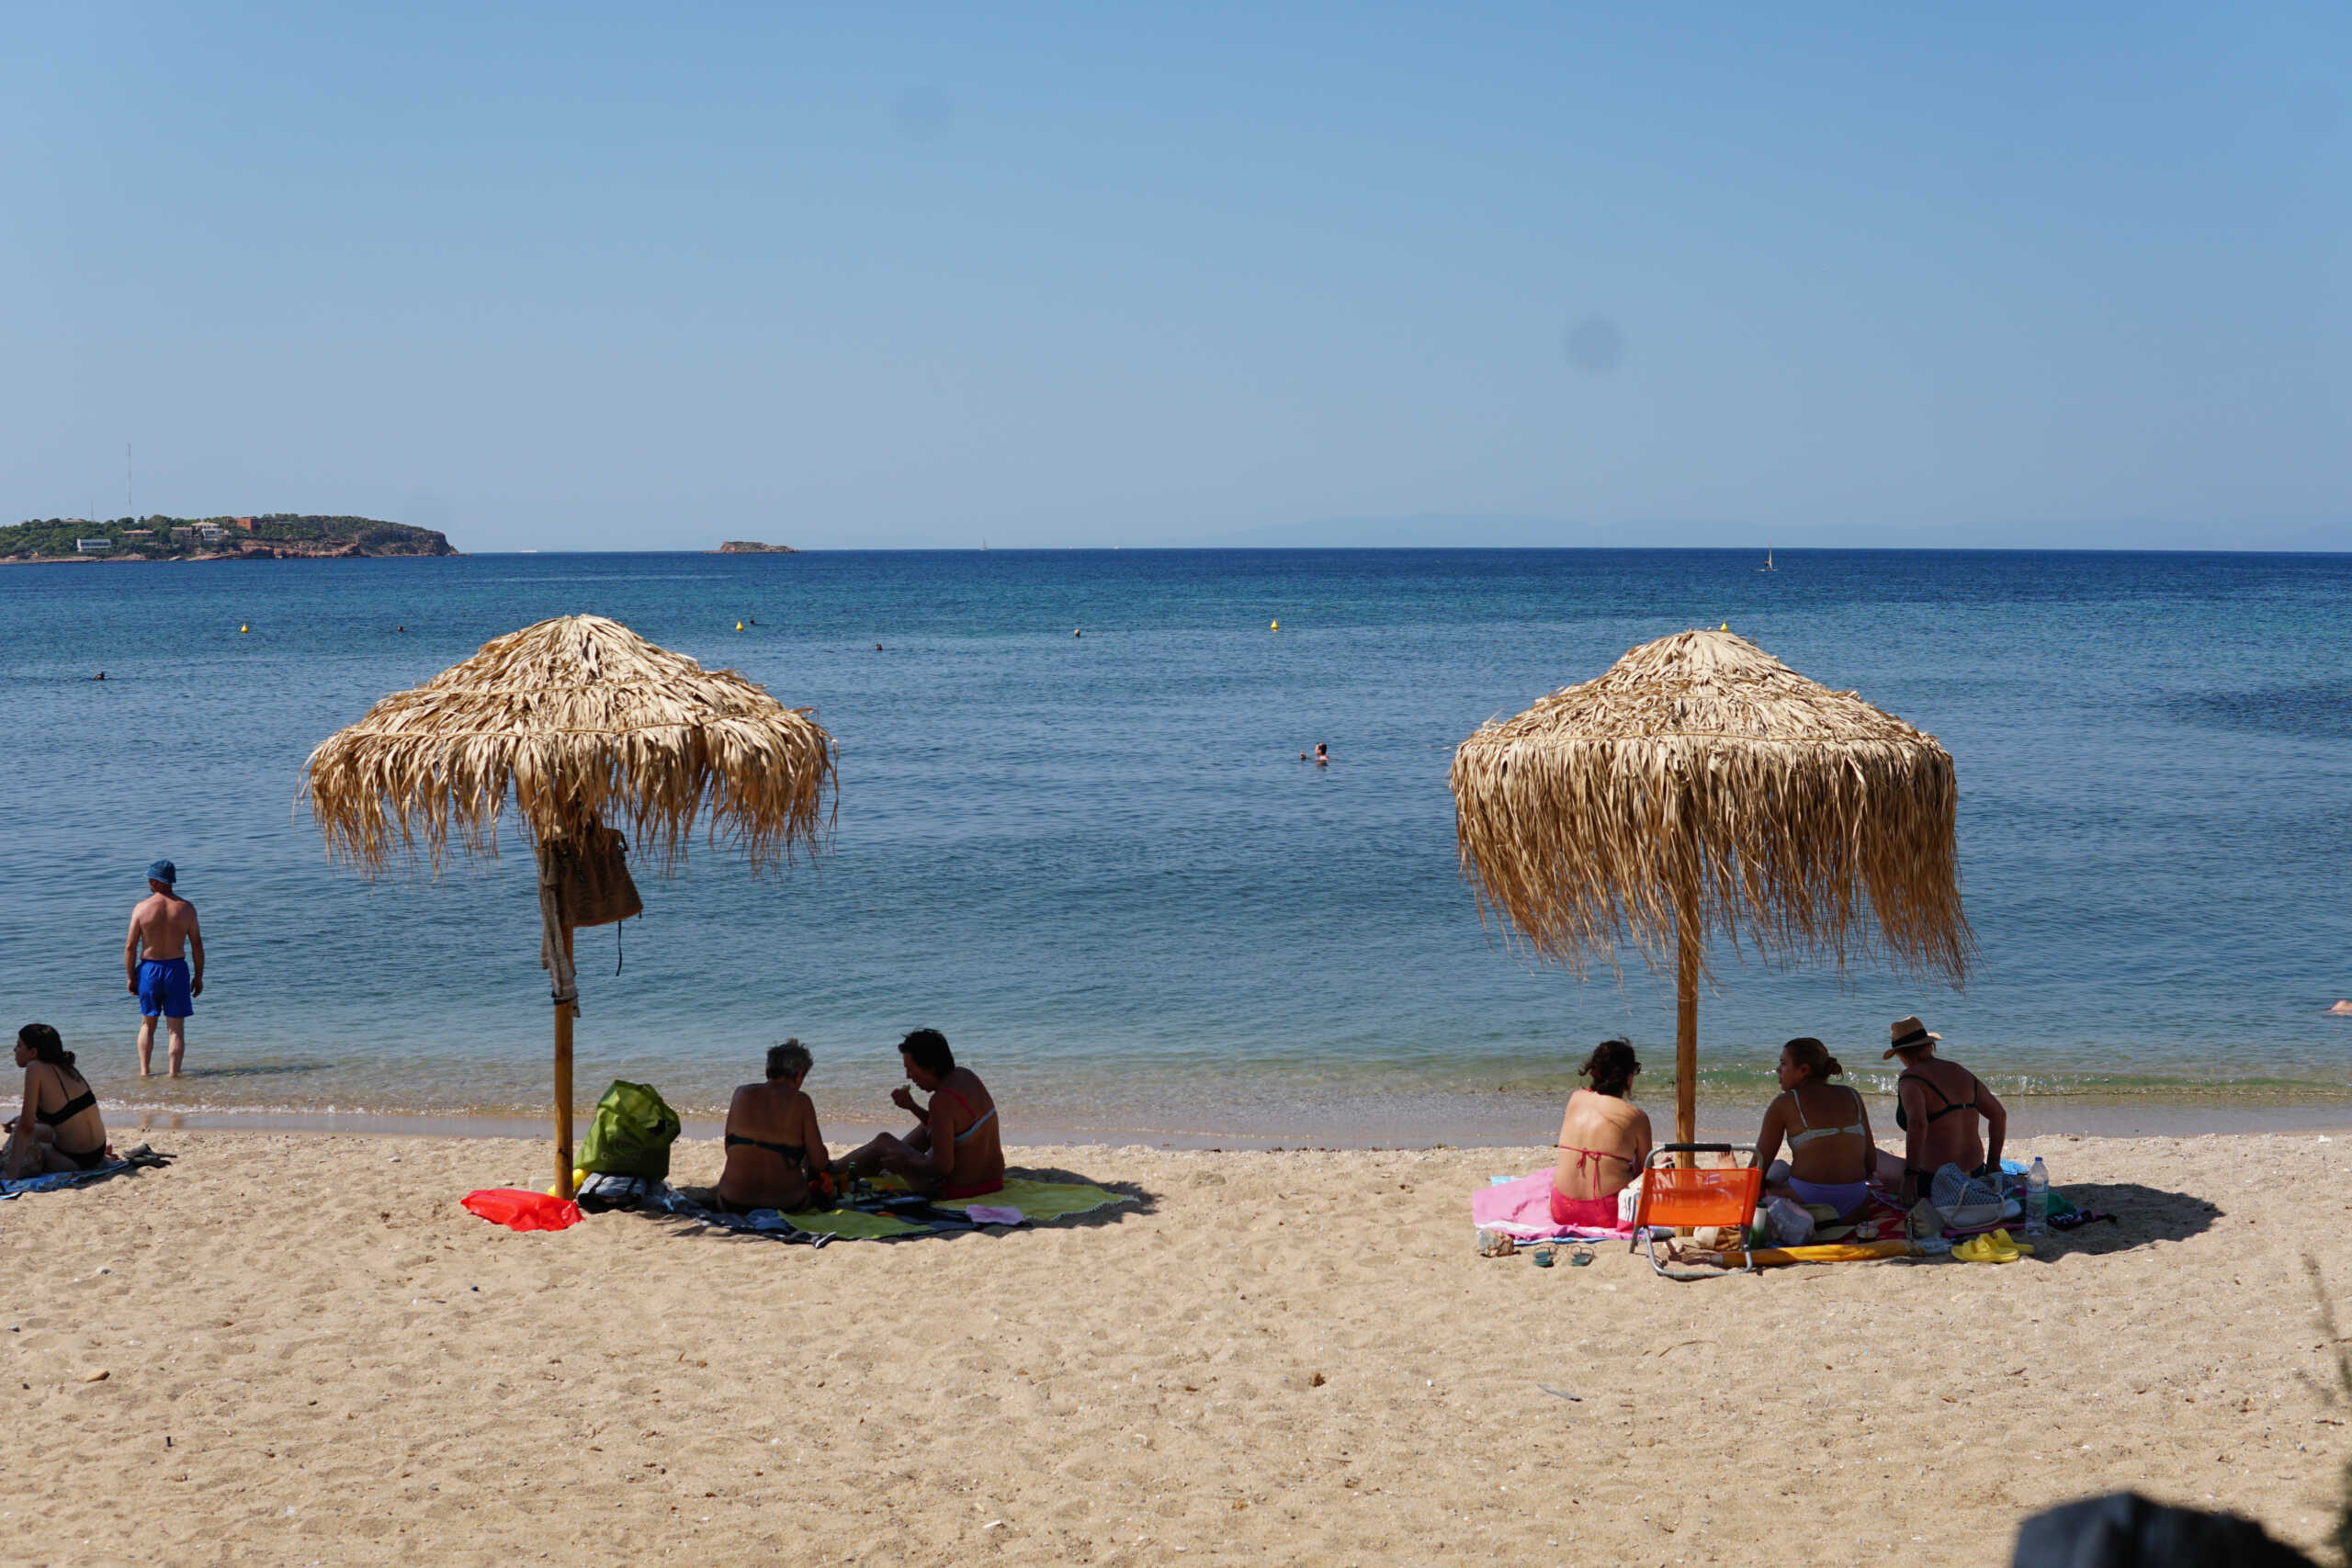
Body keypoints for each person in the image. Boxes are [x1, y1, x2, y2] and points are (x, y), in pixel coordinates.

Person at [834, 1029, 1004, 1200]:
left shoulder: (941, 1100)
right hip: (993, 1182)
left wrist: (905, 1164)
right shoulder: (965, 1076)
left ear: (931, 1067)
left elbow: (942, 1167)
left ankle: (832, 1170)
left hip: (958, 1190)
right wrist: (912, 1106)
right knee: (924, 1128)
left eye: (911, 1069)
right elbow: (948, 1125)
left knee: (883, 1141)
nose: (908, 1077)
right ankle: (871, 1167)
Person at [1885, 1014, 2006, 1206]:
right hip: (1975, 1174)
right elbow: (1998, 1114)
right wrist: (1993, 1163)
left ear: (1901, 1053)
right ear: (1929, 1045)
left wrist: (1910, 1179)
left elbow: (1917, 1125)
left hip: (1934, 1179)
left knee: (1875, 1158)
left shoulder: (1910, 1078)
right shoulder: (1960, 1071)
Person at [1754, 1037, 1881, 1217]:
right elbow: (1871, 1164)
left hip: (1809, 1201)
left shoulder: (1786, 1103)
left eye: (1783, 1063)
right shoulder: (1852, 1096)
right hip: (1855, 1201)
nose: (1777, 1070)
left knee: (1777, 1168)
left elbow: (1756, 1171)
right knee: (1782, 1169)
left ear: (1804, 1070)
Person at [714, 1039, 829, 1213]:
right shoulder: (801, 1101)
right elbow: (819, 1162)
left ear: (768, 1071)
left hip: (732, 1202)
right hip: (787, 1205)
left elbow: (729, 1148)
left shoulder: (741, 1093)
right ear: (799, 1075)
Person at [1549, 1038, 1652, 1228]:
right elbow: (1644, 1174)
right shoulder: (1636, 1117)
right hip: (1608, 1213)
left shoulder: (1575, 1099)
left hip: (1561, 1209)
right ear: (1628, 1077)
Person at [125, 859, 203, 1077]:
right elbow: (197, 945)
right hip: (176, 970)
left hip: (149, 969)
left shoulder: (142, 908)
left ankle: (144, 1072)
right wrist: (199, 976)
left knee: (147, 1024)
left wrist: (131, 976)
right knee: (175, 1029)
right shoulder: (186, 909)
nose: (148, 882)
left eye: (151, 878)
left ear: (158, 881)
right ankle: (173, 1075)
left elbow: (130, 946)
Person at [5, 1024, 107, 1177]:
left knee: (15, 1141)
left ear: (33, 1052)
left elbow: (26, 1128)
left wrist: (11, 1174)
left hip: (74, 1160)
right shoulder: (65, 1066)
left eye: (19, 1045)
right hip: (97, 1152)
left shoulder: (35, 1067)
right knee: (20, 1127)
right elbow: (63, 1115)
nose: (14, 1050)